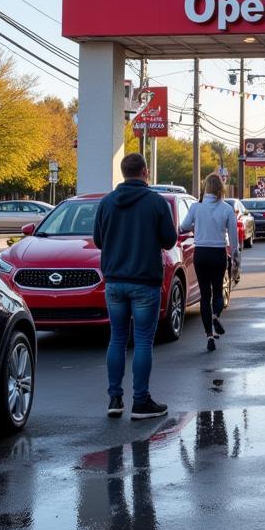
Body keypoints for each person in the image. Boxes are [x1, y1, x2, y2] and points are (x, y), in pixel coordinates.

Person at [92, 153, 177, 420]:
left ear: (123, 172)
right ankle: (141, 401)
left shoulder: (106, 203)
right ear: (145, 172)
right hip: (145, 282)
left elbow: (98, 240)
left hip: (115, 282)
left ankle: (114, 399)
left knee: (116, 338)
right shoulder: (156, 203)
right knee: (142, 341)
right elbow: (170, 240)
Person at [180, 173, 239, 352]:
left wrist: (195, 226)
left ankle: (209, 335)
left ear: (205, 187)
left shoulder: (196, 208)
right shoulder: (226, 208)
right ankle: (215, 315)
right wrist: (235, 255)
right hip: (218, 253)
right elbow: (234, 236)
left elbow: (183, 226)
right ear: (220, 188)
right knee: (218, 292)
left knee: (205, 296)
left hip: (201, 254)